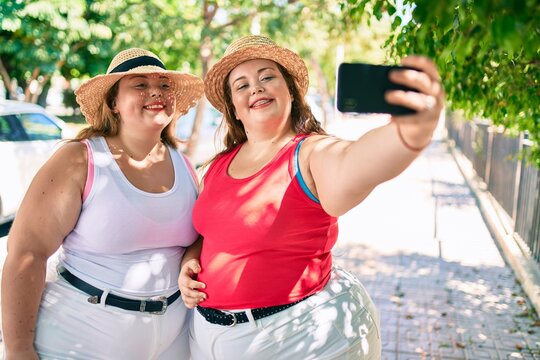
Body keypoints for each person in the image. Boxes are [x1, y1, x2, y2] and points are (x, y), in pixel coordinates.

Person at [178, 35, 444, 359]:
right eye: (242, 85)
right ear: (233, 108)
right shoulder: (215, 167)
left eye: (267, 77)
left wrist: (408, 134)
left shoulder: (310, 152)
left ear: (289, 90)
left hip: (296, 338)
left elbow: (354, 162)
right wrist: (191, 259)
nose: (256, 88)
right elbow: (210, 233)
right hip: (209, 338)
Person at [1, 48, 204, 359]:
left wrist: (191, 259)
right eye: (139, 84)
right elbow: (27, 254)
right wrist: (18, 351)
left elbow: (196, 240)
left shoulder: (185, 165)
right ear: (114, 103)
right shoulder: (81, 159)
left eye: (164, 85)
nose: (156, 92)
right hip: (80, 338)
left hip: (173, 340)